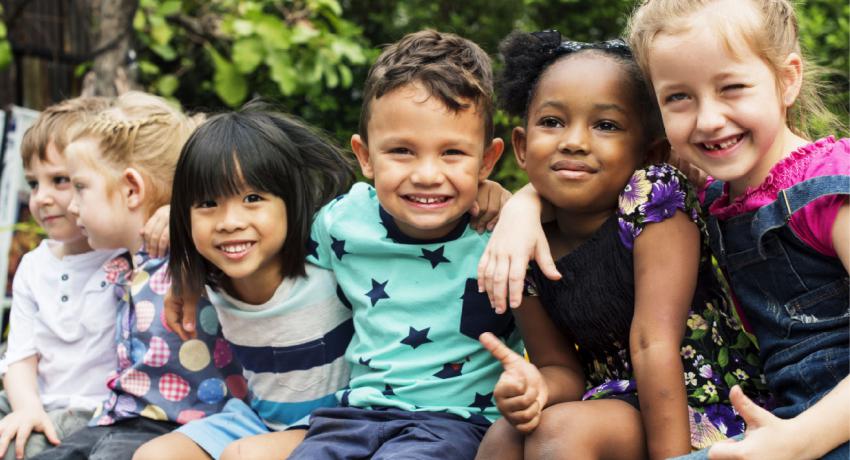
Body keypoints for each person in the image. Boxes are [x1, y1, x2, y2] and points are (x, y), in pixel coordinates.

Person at [473, 31, 767, 460]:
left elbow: (653, 342)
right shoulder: (521, 244)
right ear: (521, 145)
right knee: (504, 435)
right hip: (611, 402)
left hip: (699, 404)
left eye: (605, 125)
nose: (573, 141)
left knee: (560, 432)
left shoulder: (654, 195)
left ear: (650, 153)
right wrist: (535, 387)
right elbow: (561, 369)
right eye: (552, 122)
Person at [625, 1, 849, 458]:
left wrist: (798, 443)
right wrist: (522, 206)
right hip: (785, 422)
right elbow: (589, 174)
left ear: (787, 80)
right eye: (678, 98)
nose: (708, 119)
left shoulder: (830, 189)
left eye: (732, 87)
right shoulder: (712, 193)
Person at [131, 103, 356, 460]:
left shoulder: (329, 258)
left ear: (291, 200)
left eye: (253, 198)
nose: (229, 221)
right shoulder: (211, 277)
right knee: (154, 456)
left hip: (341, 422)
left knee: (243, 457)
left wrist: (481, 197)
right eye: (208, 203)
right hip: (259, 421)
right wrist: (185, 272)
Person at [30, 92, 244, 460]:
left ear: (132, 189)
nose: (71, 204)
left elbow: (230, 191)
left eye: (80, 187)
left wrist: (179, 212)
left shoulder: (193, 249)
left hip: (182, 424)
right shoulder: (122, 263)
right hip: (120, 417)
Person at [0, 97, 119, 460]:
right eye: (34, 183)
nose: (42, 198)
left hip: (97, 412)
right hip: (32, 398)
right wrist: (26, 408)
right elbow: (19, 355)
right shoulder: (34, 267)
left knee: (27, 451)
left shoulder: (127, 255)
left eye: (61, 181)